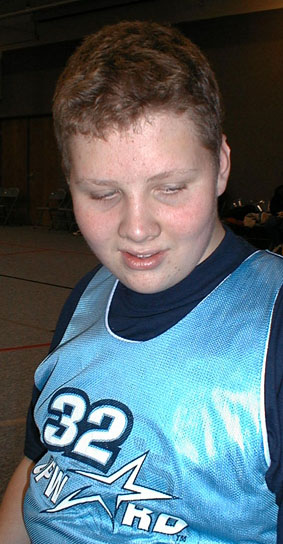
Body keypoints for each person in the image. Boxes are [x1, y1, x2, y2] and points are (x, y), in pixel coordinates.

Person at [0, 20, 282, 544]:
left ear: (220, 166)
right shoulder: (88, 297)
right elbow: (38, 469)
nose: (136, 229)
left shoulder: (272, 327)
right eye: (102, 194)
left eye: (171, 188)